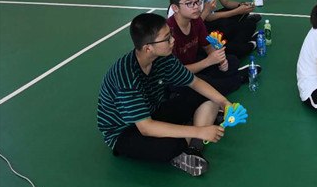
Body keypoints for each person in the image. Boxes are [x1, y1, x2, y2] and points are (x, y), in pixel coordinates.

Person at [97, 13, 230, 177]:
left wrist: (224, 102)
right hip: (125, 130)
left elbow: (194, 81)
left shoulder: (164, 58)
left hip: (153, 111)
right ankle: (194, 134)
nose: (173, 40)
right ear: (148, 48)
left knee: (204, 95)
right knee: (168, 147)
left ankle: (191, 147)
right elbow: (146, 128)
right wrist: (199, 131)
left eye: (171, 34)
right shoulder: (126, 77)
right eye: (167, 39)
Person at [167, 0, 255, 96]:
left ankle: (223, 78)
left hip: (195, 63)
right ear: (175, 8)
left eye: (198, 1)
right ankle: (238, 79)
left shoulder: (196, 20)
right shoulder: (169, 32)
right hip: (178, 76)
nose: (196, 6)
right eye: (189, 3)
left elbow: (207, 46)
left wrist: (219, 60)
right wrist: (208, 61)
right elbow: (176, 72)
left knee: (231, 60)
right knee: (198, 85)